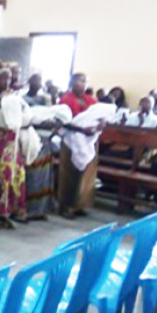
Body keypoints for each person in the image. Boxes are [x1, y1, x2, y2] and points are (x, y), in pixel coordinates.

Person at [0, 66, 28, 228]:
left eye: (9, 78)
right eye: (4, 78)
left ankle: (5, 212)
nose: (7, 81)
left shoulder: (13, 97)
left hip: (12, 143)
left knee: (12, 176)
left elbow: (24, 116)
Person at [58, 73, 101, 219]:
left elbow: (99, 116)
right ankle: (65, 206)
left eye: (85, 81)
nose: (83, 84)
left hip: (89, 140)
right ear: (72, 82)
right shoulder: (66, 99)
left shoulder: (91, 100)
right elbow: (63, 121)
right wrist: (82, 130)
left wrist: (101, 123)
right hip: (72, 140)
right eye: (80, 81)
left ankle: (80, 204)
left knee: (86, 174)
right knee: (70, 173)